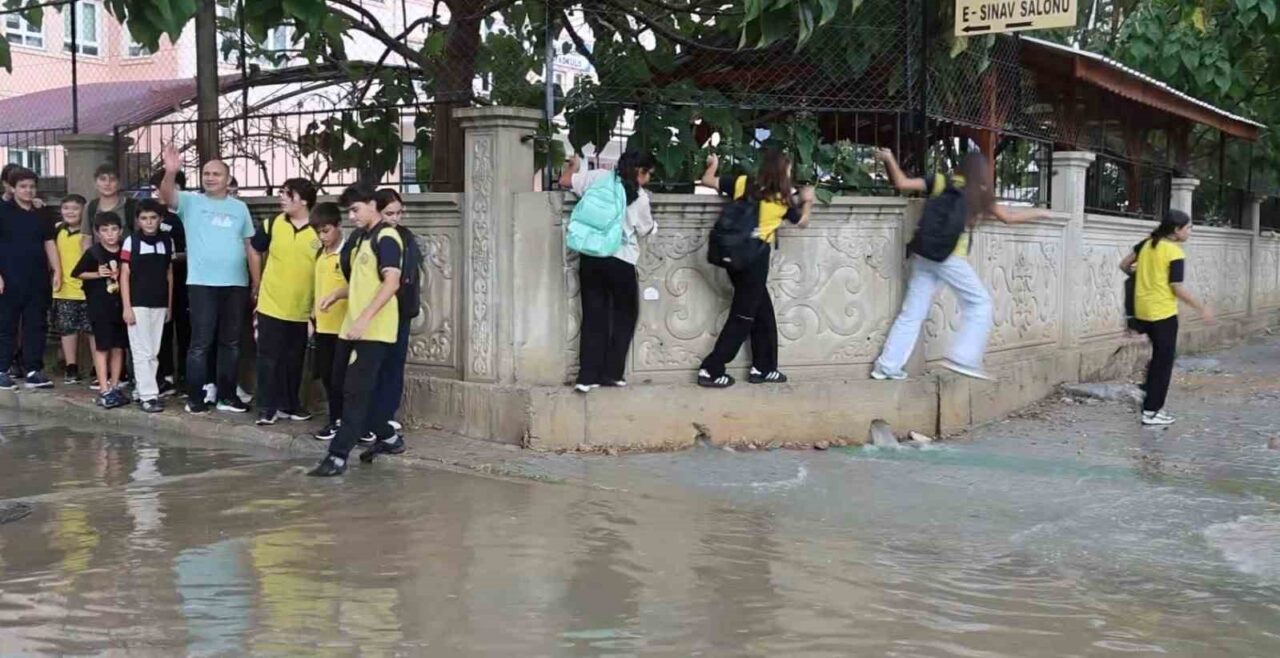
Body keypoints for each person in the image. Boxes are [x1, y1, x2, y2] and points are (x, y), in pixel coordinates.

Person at [870, 148, 1049, 382]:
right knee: (980, 303)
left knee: (912, 313)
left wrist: (889, 159)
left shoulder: (941, 181)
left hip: (924, 254)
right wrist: (1042, 212)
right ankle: (963, 358)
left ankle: (887, 366)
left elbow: (902, 183)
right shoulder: (979, 193)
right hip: (950, 258)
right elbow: (1009, 216)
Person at [695, 149, 814, 388]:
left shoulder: (743, 183)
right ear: (783, 172)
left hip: (734, 257)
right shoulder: (782, 200)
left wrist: (713, 164)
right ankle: (711, 369)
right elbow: (802, 221)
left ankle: (764, 367)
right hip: (754, 261)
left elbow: (708, 181)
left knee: (763, 313)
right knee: (742, 317)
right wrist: (808, 200)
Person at [308, 183, 404, 477]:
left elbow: (391, 283)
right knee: (341, 384)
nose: (351, 216)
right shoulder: (363, 239)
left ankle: (337, 457)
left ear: (372, 204)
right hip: (350, 329)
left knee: (354, 392)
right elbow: (364, 284)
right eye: (349, 211)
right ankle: (388, 437)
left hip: (374, 331)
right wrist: (338, 294)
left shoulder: (387, 238)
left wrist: (365, 319)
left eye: (355, 209)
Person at [158, 144, 261, 414]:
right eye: (206, 173)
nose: (210, 177)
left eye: (216, 174)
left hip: (236, 285)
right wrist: (170, 172)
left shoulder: (240, 208)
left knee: (231, 342)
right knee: (200, 343)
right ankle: (196, 398)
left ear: (228, 180)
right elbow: (167, 196)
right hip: (202, 284)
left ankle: (227, 396)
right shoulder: (191, 202)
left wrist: (256, 283)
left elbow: (250, 246)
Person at [560, 151, 657, 393]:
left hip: (590, 256)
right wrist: (655, 226)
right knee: (625, 316)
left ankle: (586, 377)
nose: (648, 180)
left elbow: (564, 181)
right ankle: (612, 373)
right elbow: (645, 229)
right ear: (639, 171)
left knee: (594, 316)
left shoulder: (597, 177)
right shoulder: (639, 198)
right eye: (648, 175)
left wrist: (574, 166)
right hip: (620, 259)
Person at [1118, 210, 1214, 426]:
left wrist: (1141, 276)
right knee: (1164, 361)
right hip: (1163, 313)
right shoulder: (1174, 252)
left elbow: (1124, 265)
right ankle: (1152, 411)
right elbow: (1176, 287)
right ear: (1176, 230)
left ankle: (1146, 392)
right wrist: (1202, 308)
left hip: (1143, 311)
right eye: (1188, 228)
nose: (1190, 232)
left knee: (1159, 357)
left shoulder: (1145, 244)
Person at [251, 178, 319, 426]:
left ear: (303, 200)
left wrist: (316, 308)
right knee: (268, 358)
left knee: (295, 360)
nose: (281, 197)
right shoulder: (272, 224)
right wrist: (258, 284)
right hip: (271, 304)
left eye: (287, 194)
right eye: (281, 193)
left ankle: (291, 405)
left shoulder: (319, 229)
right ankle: (267, 407)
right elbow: (254, 249)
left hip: (302, 309)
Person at [360, 188, 424, 443]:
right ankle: (368, 419)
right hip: (374, 310)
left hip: (400, 310)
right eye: (389, 213)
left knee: (394, 364)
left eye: (399, 213)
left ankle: (385, 415)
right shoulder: (368, 238)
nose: (395, 218)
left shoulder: (405, 237)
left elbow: (408, 277)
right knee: (371, 366)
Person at [0, 167, 61, 390]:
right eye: (23, 186)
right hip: (8, 278)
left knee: (36, 324)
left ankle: (33, 370)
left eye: (32, 186)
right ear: (12, 188)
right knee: (6, 324)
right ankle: (2, 369)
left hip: (37, 278)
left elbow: (49, 242)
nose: (28, 190)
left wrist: (58, 271)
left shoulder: (41, 213)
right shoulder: (3, 211)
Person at [120, 199, 176, 413]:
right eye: (144, 218)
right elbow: (124, 275)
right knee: (141, 350)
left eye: (153, 218)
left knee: (154, 350)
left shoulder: (167, 241)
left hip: (159, 303)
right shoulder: (131, 242)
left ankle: (141, 390)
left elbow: (169, 274)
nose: (149, 222)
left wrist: (169, 306)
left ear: (161, 219)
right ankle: (148, 395)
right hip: (137, 303)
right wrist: (127, 306)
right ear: (138, 220)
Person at [72, 212, 129, 408]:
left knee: (118, 346)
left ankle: (115, 385)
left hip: (121, 305)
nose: (110, 234)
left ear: (121, 231)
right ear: (97, 233)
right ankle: (103, 387)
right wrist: (98, 273)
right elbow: (77, 273)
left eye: (114, 229)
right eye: (104, 230)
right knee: (102, 346)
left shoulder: (125, 250)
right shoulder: (93, 253)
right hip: (100, 306)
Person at [309, 202, 348, 441]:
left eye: (326, 231)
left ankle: (346, 422)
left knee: (341, 379)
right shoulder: (319, 254)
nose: (322, 237)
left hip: (343, 327)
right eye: (318, 232)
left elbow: (356, 285)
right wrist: (310, 317)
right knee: (326, 376)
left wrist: (336, 296)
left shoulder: (347, 254)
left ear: (338, 226)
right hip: (322, 326)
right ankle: (335, 420)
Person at [152, 168, 188, 395]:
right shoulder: (151, 213)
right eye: (159, 187)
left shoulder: (188, 213)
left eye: (172, 186)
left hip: (186, 279)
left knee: (187, 329)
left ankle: (186, 376)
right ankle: (163, 375)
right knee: (161, 328)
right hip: (159, 281)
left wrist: (179, 257)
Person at [51, 194, 93, 384]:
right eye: (66, 208)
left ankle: (96, 368)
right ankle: (71, 366)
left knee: (92, 329)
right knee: (68, 330)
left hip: (87, 289)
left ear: (84, 211)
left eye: (75, 208)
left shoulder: (89, 233)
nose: (70, 212)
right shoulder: (57, 230)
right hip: (64, 289)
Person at [86, 164, 139, 241]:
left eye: (112, 179)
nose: (107, 183)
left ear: (119, 183)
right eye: (103, 179)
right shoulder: (90, 207)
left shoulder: (132, 206)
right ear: (95, 183)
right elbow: (86, 238)